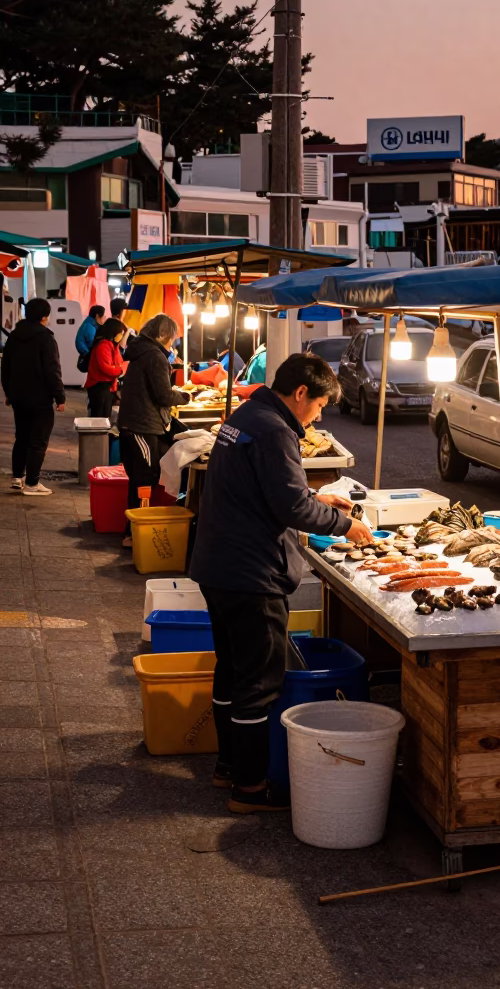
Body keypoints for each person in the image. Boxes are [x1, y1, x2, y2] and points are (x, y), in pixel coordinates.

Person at [190, 353, 375, 813]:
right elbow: (292, 510)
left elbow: (264, 489)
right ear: (299, 395)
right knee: (259, 681)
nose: (319, 415)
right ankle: (250, 789)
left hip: (218, 565)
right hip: (251, 574)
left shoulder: (248, 414)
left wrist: (314, 494)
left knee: (232, 668)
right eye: (319, 406)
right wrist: (342, 523)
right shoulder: (275, 430)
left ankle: (228, 767)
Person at [117, 313, 190, 549]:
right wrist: (185, 396)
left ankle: (133, 530)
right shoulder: (155, 356)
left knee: (138, 478)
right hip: (142, 425)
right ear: (162, 335)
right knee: (145, 478)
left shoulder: (140, 351)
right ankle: (136, 533)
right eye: (172, 337)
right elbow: (163, 395)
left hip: (133, 423)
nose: (173, 342)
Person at [1, 297, 65, 496]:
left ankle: (17, 478)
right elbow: (52, 370)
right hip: (40, 400)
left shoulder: (14, 336)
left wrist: (9, 393)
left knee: (21, 438)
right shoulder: (46, 338)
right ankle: (32, 483)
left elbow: (6, 368)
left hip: (19, 398)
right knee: (38, 440)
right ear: (44, 317)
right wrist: (60, 397)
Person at [84, 318, 126, 420]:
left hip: (108, 387)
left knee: (104, 418)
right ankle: (95, 436)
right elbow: (105, 368)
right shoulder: (103, 345)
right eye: (121, 333)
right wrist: (121, 370)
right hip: (100, 387)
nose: (121, 336)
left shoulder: (113, 345)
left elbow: (119, 362)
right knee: (99, 419)